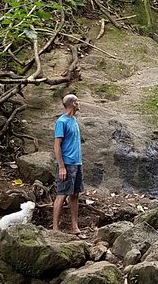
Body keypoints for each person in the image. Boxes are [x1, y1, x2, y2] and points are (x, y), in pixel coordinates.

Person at [52, 93, 86, 238]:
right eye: (77, 101)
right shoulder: (62, 122)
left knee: (75, 194)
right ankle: (55, 228)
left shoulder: (74, 120)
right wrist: (61, 166)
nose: (79, 103)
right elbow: (57, 145)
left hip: (77, 163)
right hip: (67, 163)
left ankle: (74, 227)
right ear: (73, 103)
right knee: (62, 194)